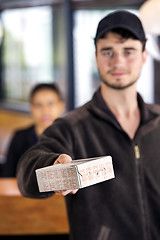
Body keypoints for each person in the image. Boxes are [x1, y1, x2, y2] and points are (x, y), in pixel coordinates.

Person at [17, 10, 160, 240]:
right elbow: (26, 172)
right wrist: (53, 166)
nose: (118, 61)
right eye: (108, 51)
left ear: (144, 56)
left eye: (129, 51)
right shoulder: (71, 126)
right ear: (96, 57)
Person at [2, 83, 65, 177]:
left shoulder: (71, 136)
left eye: (50, 104)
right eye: (39, 105)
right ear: (31, 108)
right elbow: (8, 175)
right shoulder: (19, 137)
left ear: (61, 106)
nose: (45, 110)